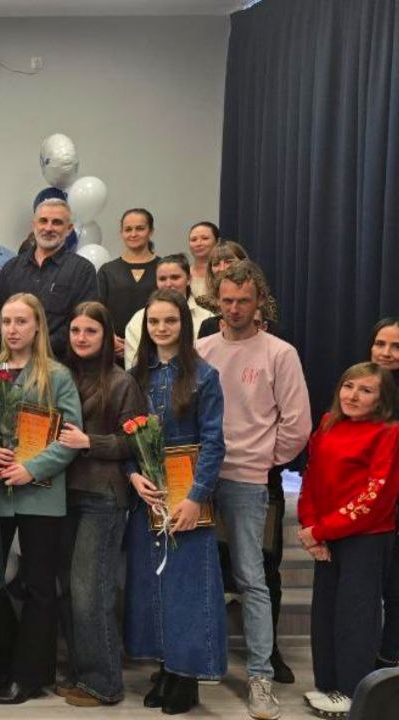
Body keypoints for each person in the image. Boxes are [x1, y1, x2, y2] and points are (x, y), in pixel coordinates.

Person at [197, 260, 312, 720]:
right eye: (227, 300)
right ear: (216, 300)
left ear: (259, 300)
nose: (234, 308)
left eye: (243, 300)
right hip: (201, 478)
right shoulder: (202, 348)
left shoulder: (279, 353)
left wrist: (265, 459)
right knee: (202, 573)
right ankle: (201, 661)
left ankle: (260, 677)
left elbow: (297, 424)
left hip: (248, 480)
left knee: (252, 578)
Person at [125, 289, 228, 715]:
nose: (161, 328)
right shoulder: (135, 377)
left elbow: (214, 443)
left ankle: (187, 675)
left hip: (188, 498)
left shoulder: (204, 375)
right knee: (154, 586)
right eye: (154, 321)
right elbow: (123, 437)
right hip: (148, 497)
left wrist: (194, 498)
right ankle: (166, 667)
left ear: (184, 325)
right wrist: (132, 475)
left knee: (188, 587)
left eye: (170, 320)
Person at [0, 293, 81, 705]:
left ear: (37, 325)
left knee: (40, 586)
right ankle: (7, 664)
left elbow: (71, 437)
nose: (13, 329)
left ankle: (30, 675)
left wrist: (33, 468)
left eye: (21, 321)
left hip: (41, 492)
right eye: (7, 321)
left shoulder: (57, 376)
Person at [54, 301, 145, 707]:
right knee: (71, 591)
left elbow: (135, 441)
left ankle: (105, 682)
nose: (81, 338)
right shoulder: (62, 376)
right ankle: (81, 672)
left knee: (91, 592)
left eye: (90, 331)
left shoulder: (122, 382)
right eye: (76, 330)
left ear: (107, 337)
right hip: (64, 494)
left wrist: (88, 442)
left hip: (103, 497)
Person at [297, 363, 399, 717]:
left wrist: (321, 530)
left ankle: (353, 691)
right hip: (326, 535)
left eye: (365, 390)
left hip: (365, 538)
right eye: (348, 386)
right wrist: (311, 526)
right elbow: (311, 477)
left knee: (356, 616)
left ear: (382, 399)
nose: (353, 396)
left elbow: (376, 496)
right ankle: (328, 684)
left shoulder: (388, 433)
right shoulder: (328, 423)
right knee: (325, 612)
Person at [0, 199, 98, 359]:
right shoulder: (11, 269)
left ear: (69, 229)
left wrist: (37, 347)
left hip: (61, 364)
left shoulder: (82, 270)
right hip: (15, 362)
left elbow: (82, 322)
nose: (48, 228)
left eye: (57, 222)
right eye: (43, 221)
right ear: (34, 225)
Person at [123, 254, 215, 368]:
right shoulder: (138, 319)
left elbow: (211, 364)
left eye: (175, 278)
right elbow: (134, 368)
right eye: (162, 279)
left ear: (189, 279)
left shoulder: (207, 318)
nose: (168, 284)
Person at [97, 208, 160, 360]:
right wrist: (109, 338)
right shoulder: (108, 270)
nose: (133, 234)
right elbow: (98, 309)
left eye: (140, 228)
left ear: (151, 231)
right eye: (128, 229)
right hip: (114, 351)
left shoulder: (163, 268)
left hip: (155, 348)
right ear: (121, 233)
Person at [372, 318, 399, 668]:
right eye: (380, 344)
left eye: (395, 347)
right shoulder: (361, 387)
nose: (386, 353)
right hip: (367, 512)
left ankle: (389, 663)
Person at [194, 240, 248, 314]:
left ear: (244, 263)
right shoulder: (201, 304)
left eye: (229, 262)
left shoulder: (256, 300)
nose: (222, 269)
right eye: (216, 264)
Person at [186, 222, 220, 298]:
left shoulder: (224, 271)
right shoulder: (183, 274)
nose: (198, 244)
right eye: (193, 240)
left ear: (218, 241)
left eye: (205, 238)